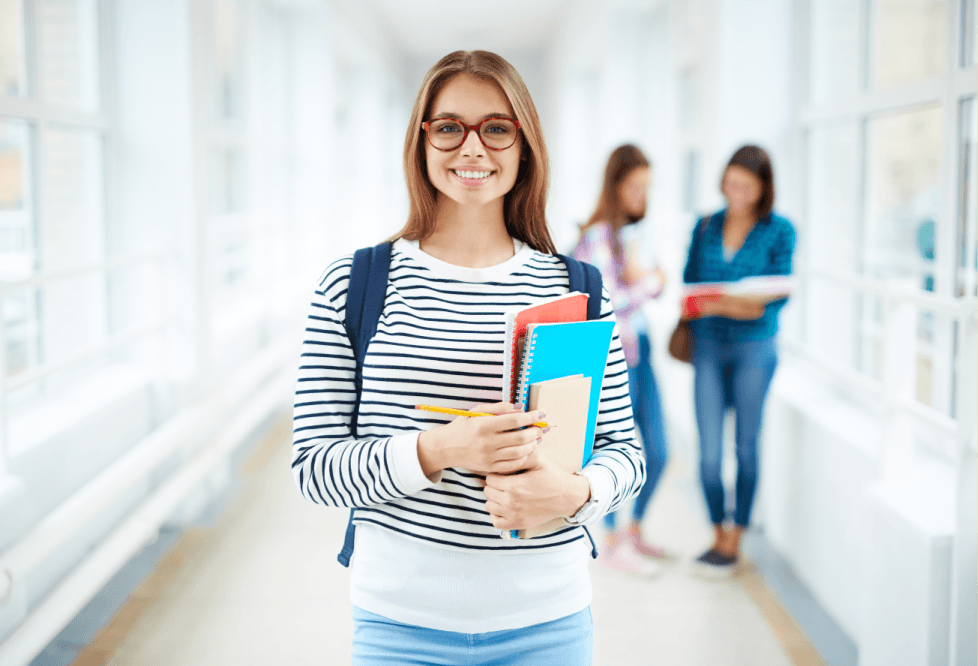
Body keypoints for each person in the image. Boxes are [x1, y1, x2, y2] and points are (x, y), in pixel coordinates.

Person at [292, 50, 644, 665]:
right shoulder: (355, 283)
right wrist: (442, 449)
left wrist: (574, 492)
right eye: (450, 126)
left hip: (549, 622)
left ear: (524, 144)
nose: (473, 149)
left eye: (497, 128)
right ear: (422, 141)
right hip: (401, 625)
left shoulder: (578, 288)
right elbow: (313, 469)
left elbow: (626, 453)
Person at [682, 145, 796, 575]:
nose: (737, 193)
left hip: (756, 349)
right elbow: (691, 292)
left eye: (746, 186)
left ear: (763, 187)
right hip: (708, 347)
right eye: (731, 184)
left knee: (746, 447)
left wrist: (720, 302)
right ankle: (716, 533)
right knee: (709, 453)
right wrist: (735, 302)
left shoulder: (780, 230)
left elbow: (773, 300)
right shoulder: (706, 225)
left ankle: (737, 534)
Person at [572, 144, 670, 574]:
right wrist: (652, 283)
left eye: (647, 187)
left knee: (661, 452)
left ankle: (634, 531)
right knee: (611, 449)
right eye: (634, 186)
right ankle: (610, 539)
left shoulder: (632, 233)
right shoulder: (594, 239)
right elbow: (605, 306)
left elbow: (643, 279)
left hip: (642, 349)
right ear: (614, 186)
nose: (641, 196)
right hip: (615, 357)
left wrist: (650, 279)